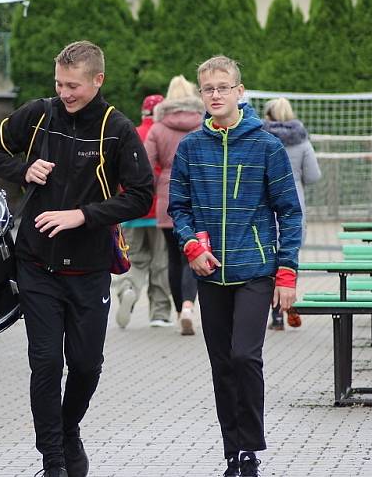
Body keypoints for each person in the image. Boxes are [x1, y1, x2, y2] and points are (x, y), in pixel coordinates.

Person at [0, 40, 154, 477]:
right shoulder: (38, 114)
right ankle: (53, 460)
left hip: (90, 269)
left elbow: (142, 197)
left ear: (98, 80)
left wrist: (83, 216)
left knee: (87, 364)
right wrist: (22, 170)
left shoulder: (118, 129)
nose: (65, 93)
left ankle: (67, 428)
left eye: (73, 85)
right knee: (46, 362)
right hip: (35, 265)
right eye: (59, 84)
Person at [168, 56, 302, 477]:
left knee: (245, 356)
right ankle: (235, 452)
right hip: (210, 272)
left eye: (224, 87)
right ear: (201, 94)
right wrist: (190, 245)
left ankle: (251, 445)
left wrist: (287, 273)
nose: (216, 95)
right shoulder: (190, 147)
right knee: (222, 364)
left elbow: (290, 213)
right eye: (208, 89)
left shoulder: (266, 146)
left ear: (240, 92)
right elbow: (179, 207)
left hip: (256, 271)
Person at [144, 75, 204, 335]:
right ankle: (190, 306)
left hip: (169, 196)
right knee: (193, 255)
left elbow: (146, 167)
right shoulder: (204, 124)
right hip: (199, 197)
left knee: (172, 258)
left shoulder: (158, 128)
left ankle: (180, 311)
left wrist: (158, 183)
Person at [113, 94, 173, 329]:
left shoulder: (131, 133)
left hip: (133, 209)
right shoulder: (165, 134)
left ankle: (128, 288)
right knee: (161, 263)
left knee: (135, 262)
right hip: (161, 210)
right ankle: (159, 313)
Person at [262, 97, 321, 330]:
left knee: (269, 259)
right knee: (289, 255)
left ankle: (275, 314)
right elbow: (314, 175)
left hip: (266, 199)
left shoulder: (262, 139)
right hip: (294, 197)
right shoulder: (302, 141)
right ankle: (288, 300)